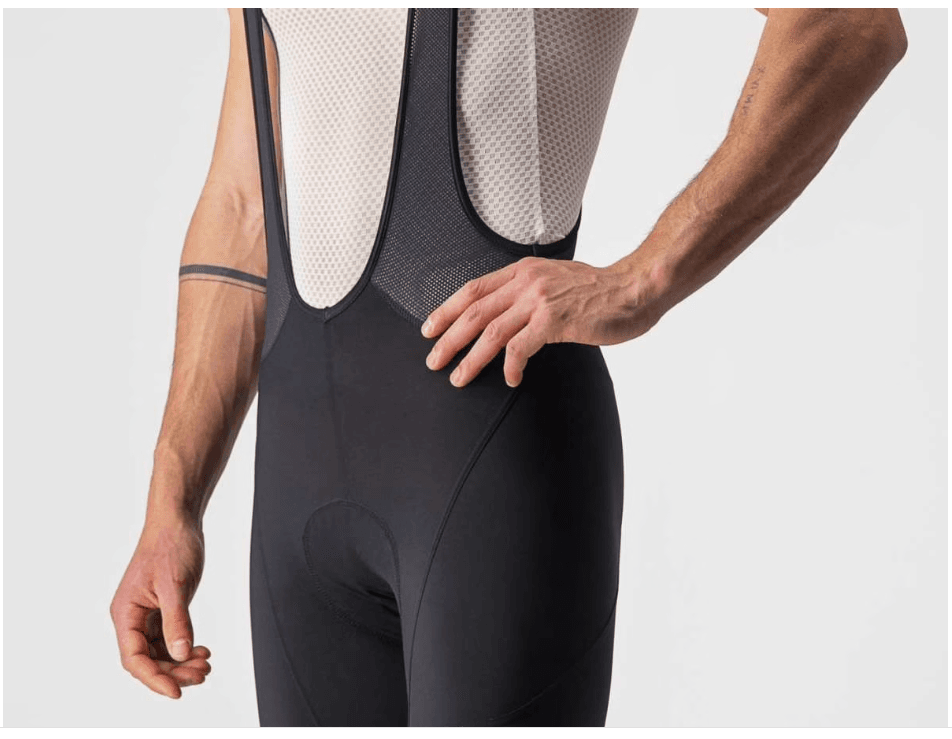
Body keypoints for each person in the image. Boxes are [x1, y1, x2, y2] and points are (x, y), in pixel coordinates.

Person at [109, 7, 907, 727]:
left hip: (487, 467)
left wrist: (645, 279)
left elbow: (848, 23)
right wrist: (171, 501)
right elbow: (243, 203)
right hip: (297, 496)